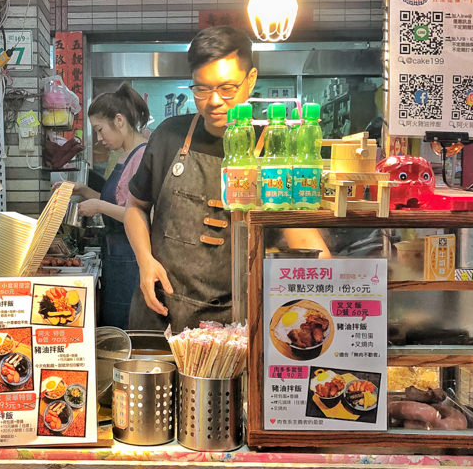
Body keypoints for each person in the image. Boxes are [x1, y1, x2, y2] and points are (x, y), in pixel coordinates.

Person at [125, 26, 327, 331]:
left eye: (227, 88)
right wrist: (144, 261)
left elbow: (301, 236)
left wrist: (342, 288)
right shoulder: (169, 136)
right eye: (201, 89)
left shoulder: (273, 151)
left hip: (239, 322)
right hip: (162, 312)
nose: (214, 100)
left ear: (251, 80)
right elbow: (135, 207)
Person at [69, 83, 150, 328]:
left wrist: (99, 207)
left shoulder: (142, 155)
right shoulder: (124, 154)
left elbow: (138, 214)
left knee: (128, 326)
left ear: (119, 120)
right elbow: (116, 198)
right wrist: (83, 192)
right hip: (116, 256)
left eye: (100, 129)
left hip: (132, 258)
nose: (100, 138)